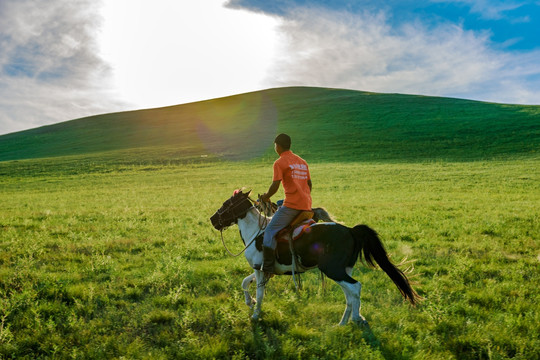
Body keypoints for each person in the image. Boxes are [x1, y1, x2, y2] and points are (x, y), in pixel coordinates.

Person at [260, 133, 312, 274]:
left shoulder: (279, 162)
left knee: (269, 231)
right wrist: (303, 198)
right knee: (279, 202)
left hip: (292, 206)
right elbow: (309, 184)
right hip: (306, 205)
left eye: (275, 145)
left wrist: (266, 197)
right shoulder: (302, 162)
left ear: (278, 146)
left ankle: (268, 268)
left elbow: (275, 185)